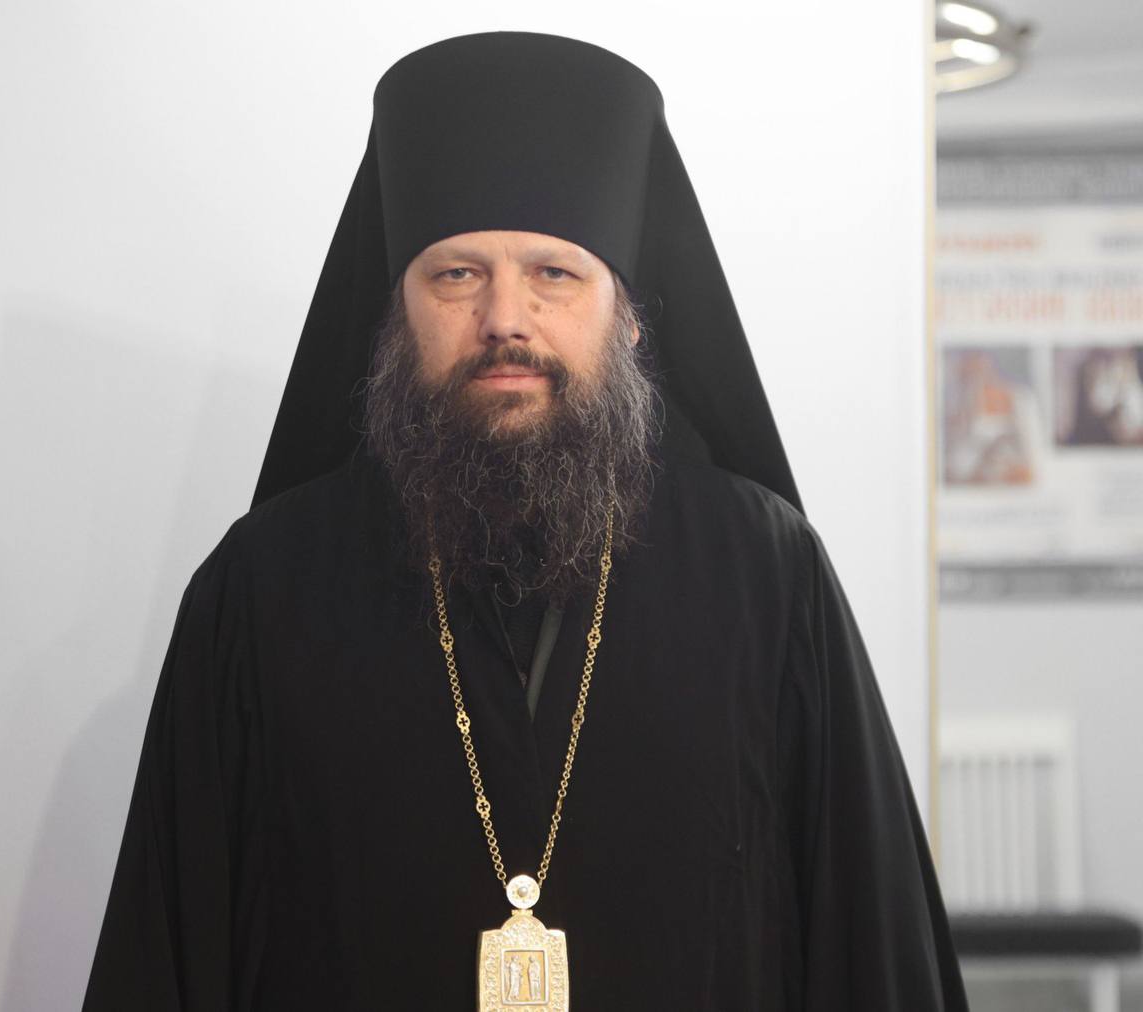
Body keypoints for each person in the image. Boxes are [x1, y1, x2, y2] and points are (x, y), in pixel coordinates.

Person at [83, 31, 968, 1011]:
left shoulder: (764, 576)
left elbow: (866, 946)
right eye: (457, 275)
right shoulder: (263, 590)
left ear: (628, 312)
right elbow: (170, 954)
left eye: (553, 274)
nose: (505, 318)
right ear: (395, 312)